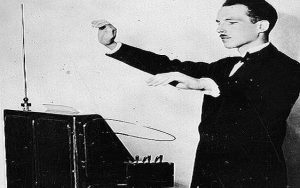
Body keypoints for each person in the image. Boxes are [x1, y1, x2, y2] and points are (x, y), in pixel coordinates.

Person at [92, 0, 300, 187]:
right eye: (218, 22)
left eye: (231, 22)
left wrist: (204, 84)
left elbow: (254, 109)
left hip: (254, 178)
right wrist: (114, 46)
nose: (220, 29)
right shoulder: (224, 66)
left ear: (261, 26)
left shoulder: (289, 69)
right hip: (208, 173)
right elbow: (170, 66)